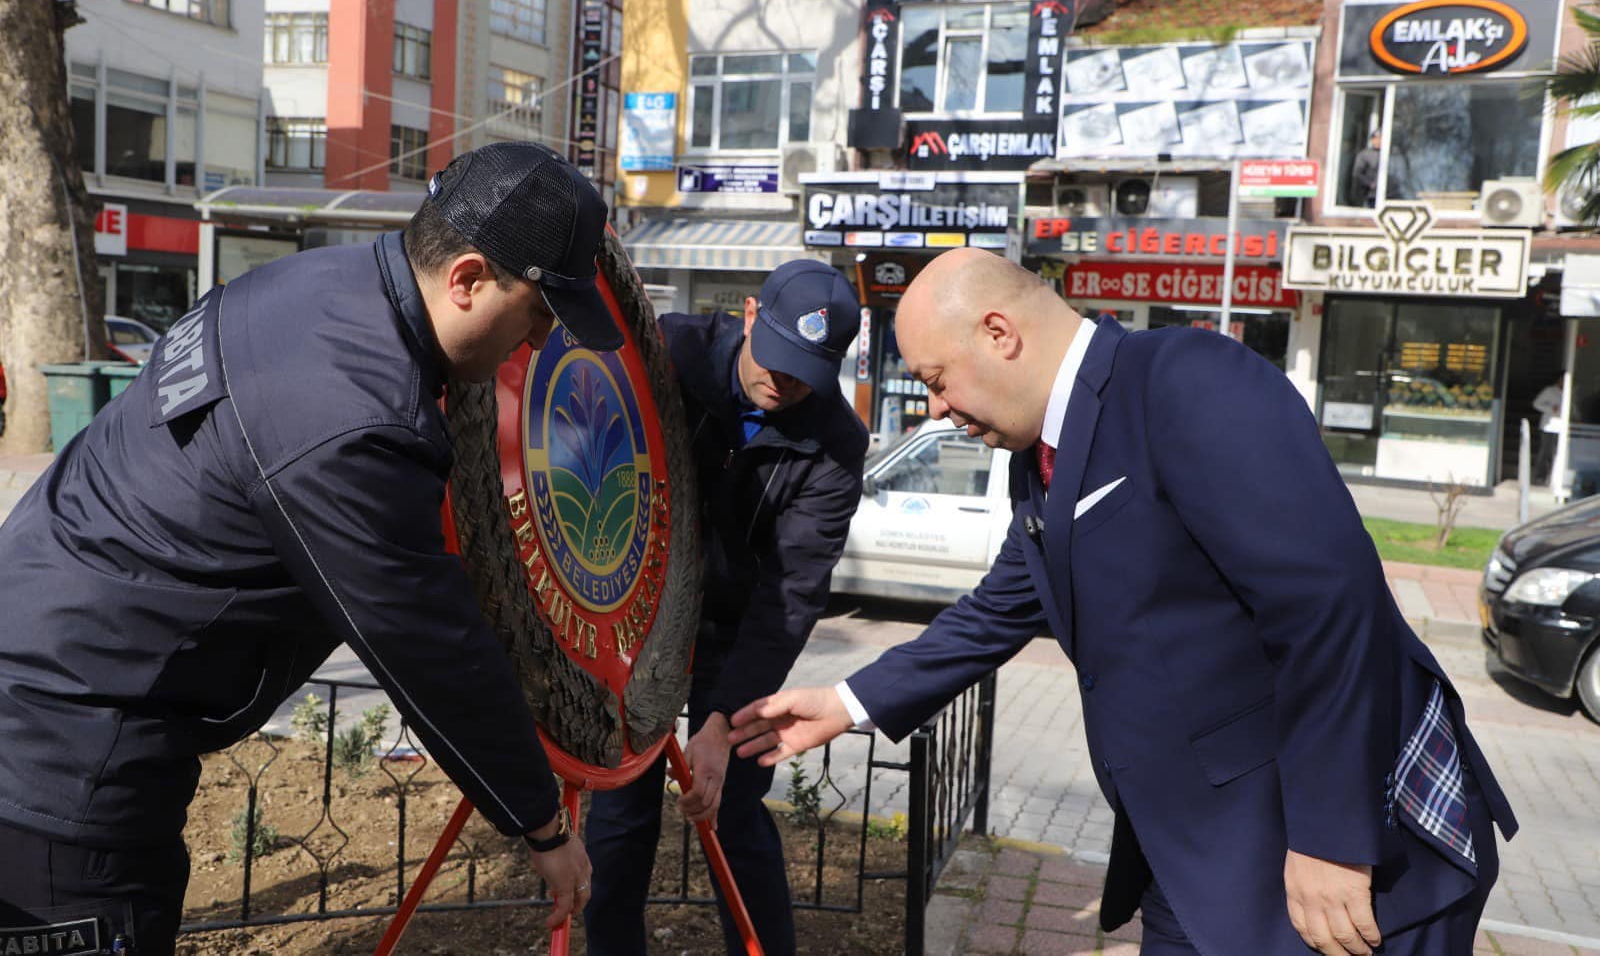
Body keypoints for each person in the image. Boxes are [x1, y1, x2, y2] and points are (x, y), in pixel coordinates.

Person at [730, 249, 1518, 956]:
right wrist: (847, 701)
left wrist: (1332, 839)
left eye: (937, 381)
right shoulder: (1037, 455)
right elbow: (999, 608)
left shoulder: (1185, 379)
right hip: (1196, 856)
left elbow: (1327, 606)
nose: (934, 407)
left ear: (1000, 332)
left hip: (1332, 857)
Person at [0, 142, 617, 954]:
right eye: (538, 312)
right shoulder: (353, 420)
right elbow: (428, 647)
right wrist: (543, 826)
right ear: (467, 279)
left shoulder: (318, 288)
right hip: (65, 762)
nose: (538, 342)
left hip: (41, 673)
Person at [583, 260, 868, 956]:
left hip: (737, 635)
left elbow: (790, 593)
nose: (783, 380)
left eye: (805, 370)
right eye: (774, 357)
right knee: (620, 814)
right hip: (637, 619)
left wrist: (720, 721)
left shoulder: (836, 443)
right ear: (747, 314)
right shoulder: (666, 355)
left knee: (734, 811)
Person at [1532, 380, 1565, 485]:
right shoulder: (1550, 391)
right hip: (1549, 427)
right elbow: (1536, 404)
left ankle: (1552, 479)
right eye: (1562, 379)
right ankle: (1540, 477)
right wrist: (1551, 409)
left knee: (1557, 453)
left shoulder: (1569, 391)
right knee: (1545, 453)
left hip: (1562, 428)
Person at [1350, 128, 1382, 207]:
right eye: (1375, 138)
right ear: (1372, 140)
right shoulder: (1365, 155)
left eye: (1380, 138)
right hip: (1371, 194)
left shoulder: (1391, 154)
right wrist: (1370, 184)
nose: (1378, 141)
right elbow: (1357, 173)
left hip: (1389, 194)